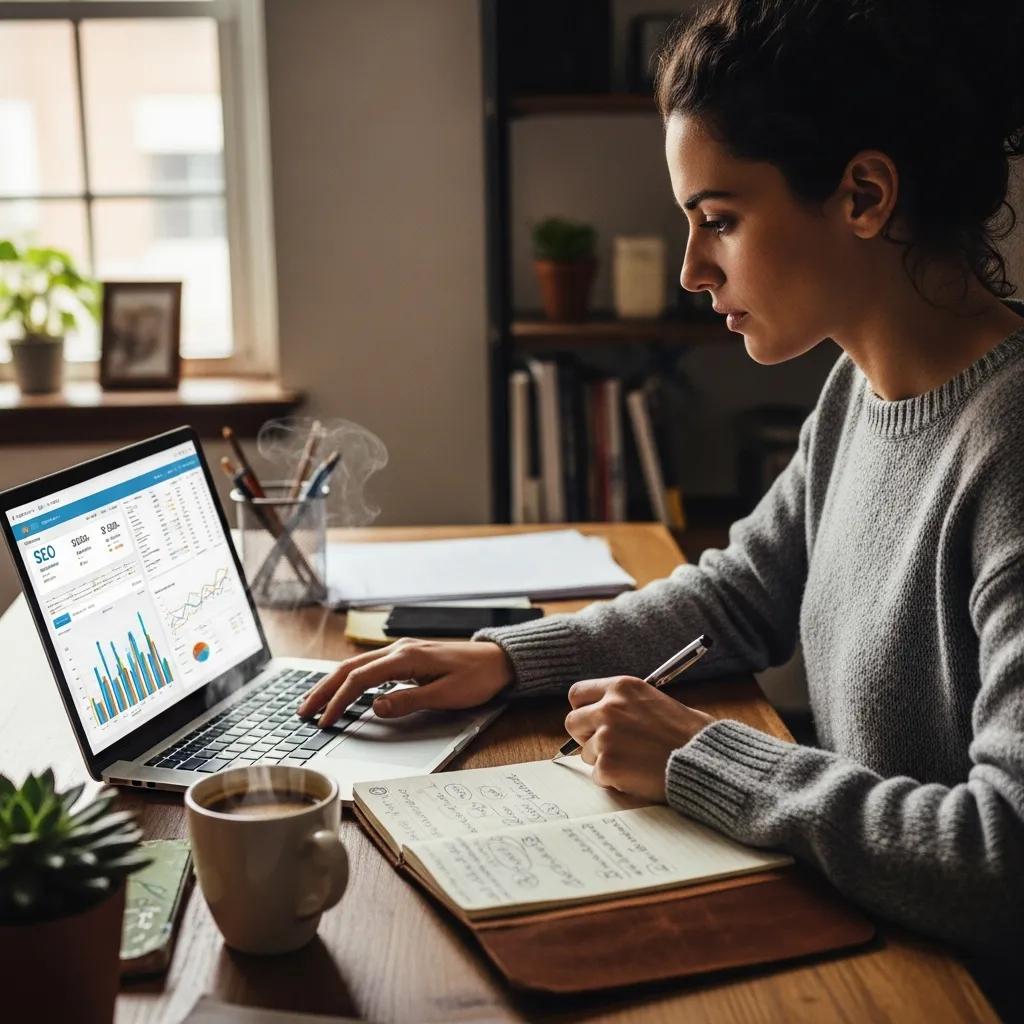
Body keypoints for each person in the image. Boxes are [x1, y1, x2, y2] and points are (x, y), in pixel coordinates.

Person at [300, 0, 1024, 967]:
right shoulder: (860, 391)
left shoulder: (1008, 451)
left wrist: (701, 756)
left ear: (863, 195)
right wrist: (507, 660)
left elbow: (1002, 860)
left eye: (718, 220)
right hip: (868, 936)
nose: (690, 269)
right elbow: (738, 598)